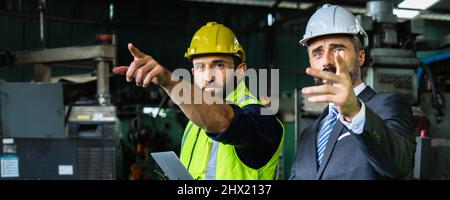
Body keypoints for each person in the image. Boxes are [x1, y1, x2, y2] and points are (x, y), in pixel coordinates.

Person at [113, 22, 284, 180]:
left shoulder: (261, 118)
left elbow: (225, 122)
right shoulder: (194, 123)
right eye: (201, 67)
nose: (208, 77)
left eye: (219, 65)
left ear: (240, 72)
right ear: (193, 72)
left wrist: (169, 81)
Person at [289, 4, 416, 180]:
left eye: (338, 49)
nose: (327, 61)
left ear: (361, 57)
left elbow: (401, 165)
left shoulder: (389, 106)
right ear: (310, 62)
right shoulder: (308, 135)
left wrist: (355, 112)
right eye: (317, 53)